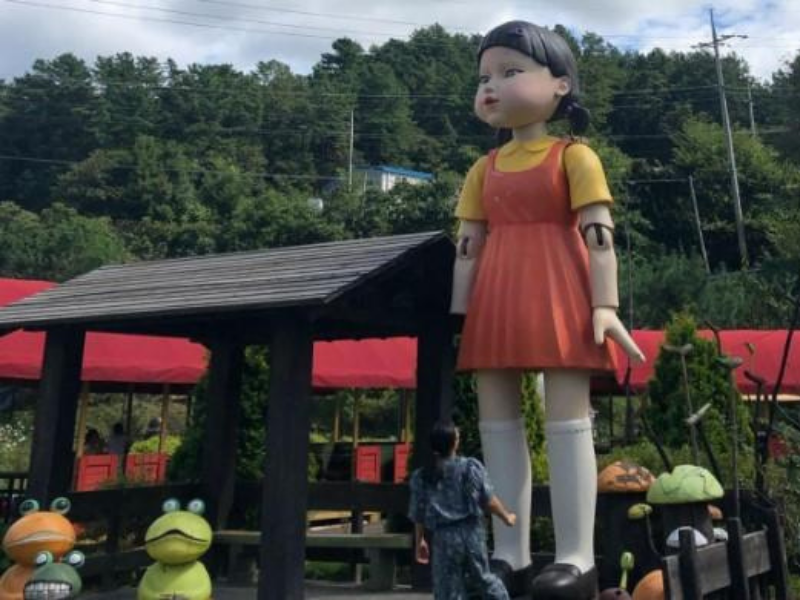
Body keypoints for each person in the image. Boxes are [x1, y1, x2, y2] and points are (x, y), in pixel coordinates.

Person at [451, 20, 645, 599]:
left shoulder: (574, 157)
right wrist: (458, 314)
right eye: (484, 77)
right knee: (496, 421)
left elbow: (599, 235)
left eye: (510, 72)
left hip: (560, 290)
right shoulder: (482, 169)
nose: (491, 86)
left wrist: (605, 304)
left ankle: (575, 556)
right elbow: (467, 247)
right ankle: (508, 551)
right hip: (495, 297)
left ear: (560, 84)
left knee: (567, 419)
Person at [408, 420, 516, 600]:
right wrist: (506, 516)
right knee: (484, 579)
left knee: (448, 588)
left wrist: (420, 540)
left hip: (444, 536)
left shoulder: (423, 476)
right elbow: (488, 500)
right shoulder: (469, 467)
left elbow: (418, 512)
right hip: (471, 532)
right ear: (454, 443)